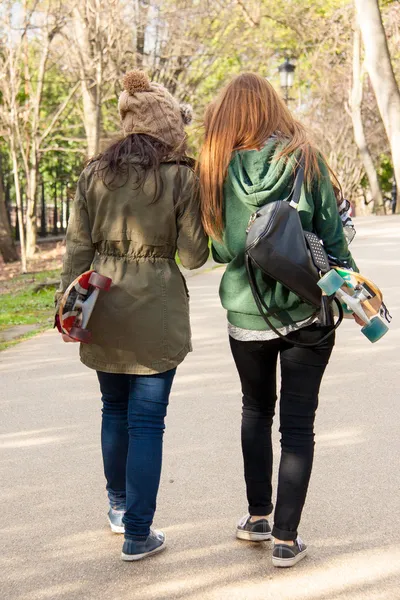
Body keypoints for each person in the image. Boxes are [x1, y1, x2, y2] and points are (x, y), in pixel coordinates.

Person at [198, 73, 358, 568]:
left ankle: (258, 517)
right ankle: (287, 539)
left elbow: (222, 249)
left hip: (247, 313)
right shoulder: (304, 157)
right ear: (274, 108)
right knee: (298, 424)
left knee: (255, 411)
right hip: (306, 309)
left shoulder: (216, 169)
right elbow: (332, 235)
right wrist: (352, 293)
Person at [55, 70, 209, 561]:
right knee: (147, 422)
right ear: (168, 125)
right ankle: (138, 535)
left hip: (101, 303)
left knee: (112, 409)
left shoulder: (93, 172)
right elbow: (192, 256)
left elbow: (76, 248)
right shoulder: (181, 175)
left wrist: (66, 304)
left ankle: (118, 507)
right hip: (156, 310)